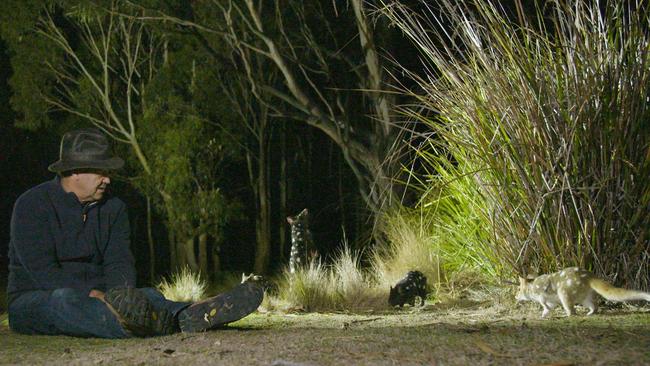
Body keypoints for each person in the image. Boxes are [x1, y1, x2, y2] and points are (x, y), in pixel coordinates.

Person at [7, 128, 263, 338]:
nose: (108, 179)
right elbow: (43, 272)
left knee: (148, 294)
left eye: (109, 173)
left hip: (104, 298)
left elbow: (119, 261)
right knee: (63, 301)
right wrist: (95, 295)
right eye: (101, 171)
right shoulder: (32, 205)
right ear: (74, 171)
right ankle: (143, 323)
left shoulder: (114, 208)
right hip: (36, 298)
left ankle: (190, 313)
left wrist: (120, 295)